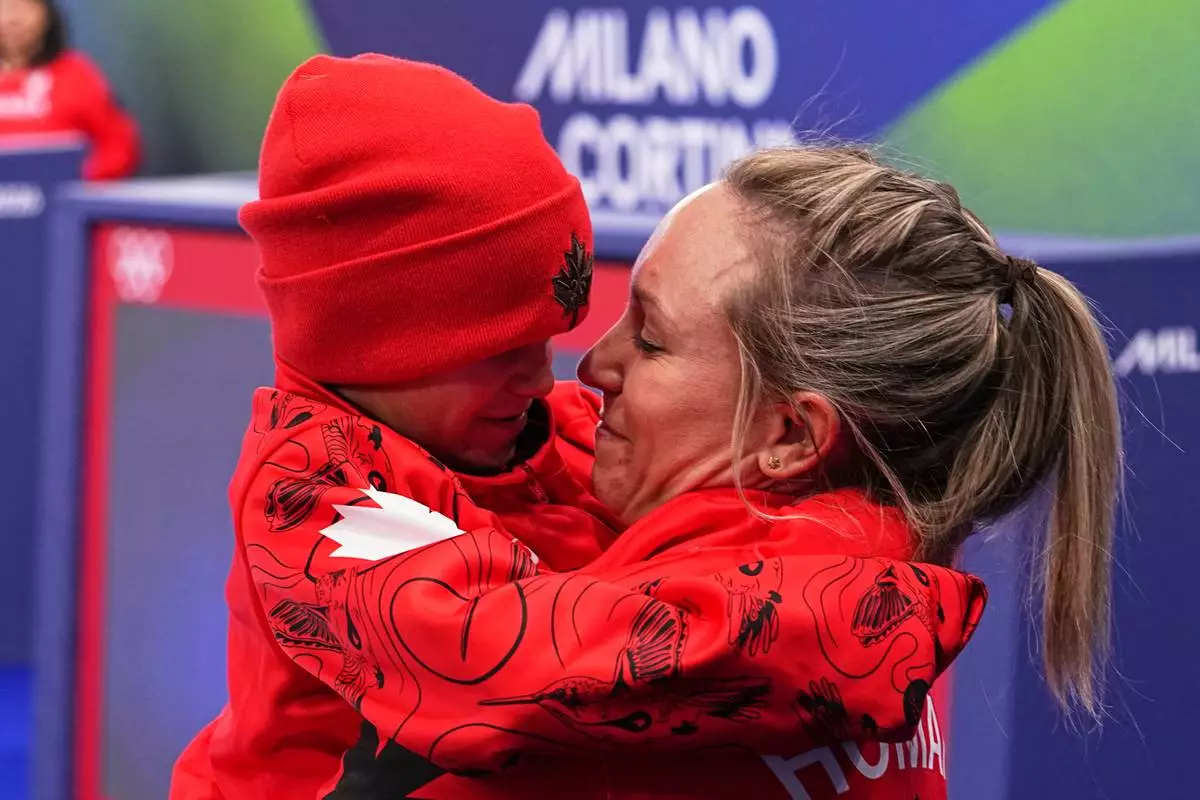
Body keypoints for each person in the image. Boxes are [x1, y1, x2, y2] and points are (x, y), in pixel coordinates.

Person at [171, 55, 987, 800]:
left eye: (547, 340)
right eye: (495, 352)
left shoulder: (557, 435)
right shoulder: (312, 487)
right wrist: (831, 628)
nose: (564, 374)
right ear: (367, 346)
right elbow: (491, 663)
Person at [0, 0, 139, 179]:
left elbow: (119, 145)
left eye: (23, 7)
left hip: (67, 198)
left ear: (47, 14)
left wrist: (78, 181)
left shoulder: (77, 73)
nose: (11, 19)